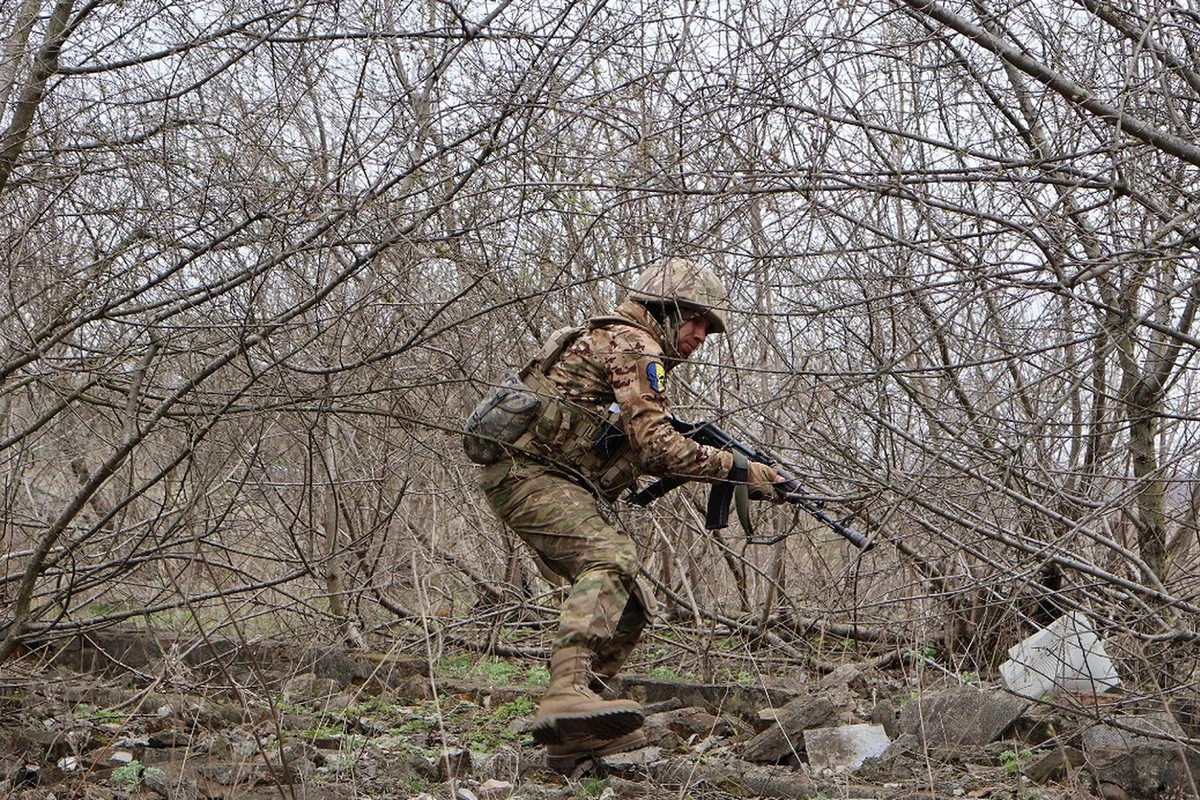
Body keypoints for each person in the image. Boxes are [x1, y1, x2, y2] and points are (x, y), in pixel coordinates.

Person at [474, 257, 781, 771]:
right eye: (697, 321)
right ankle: (567, 693)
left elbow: (634, 446)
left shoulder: (622, 344)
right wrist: (735, 467)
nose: (702, 336)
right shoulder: (635, 344)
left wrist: (730, 468)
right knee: (610, 555)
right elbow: (658, 447)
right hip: (526, 473)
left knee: (632, 603)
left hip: (544, 476)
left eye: (708, 326)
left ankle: (575, 729)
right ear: (667, 309)